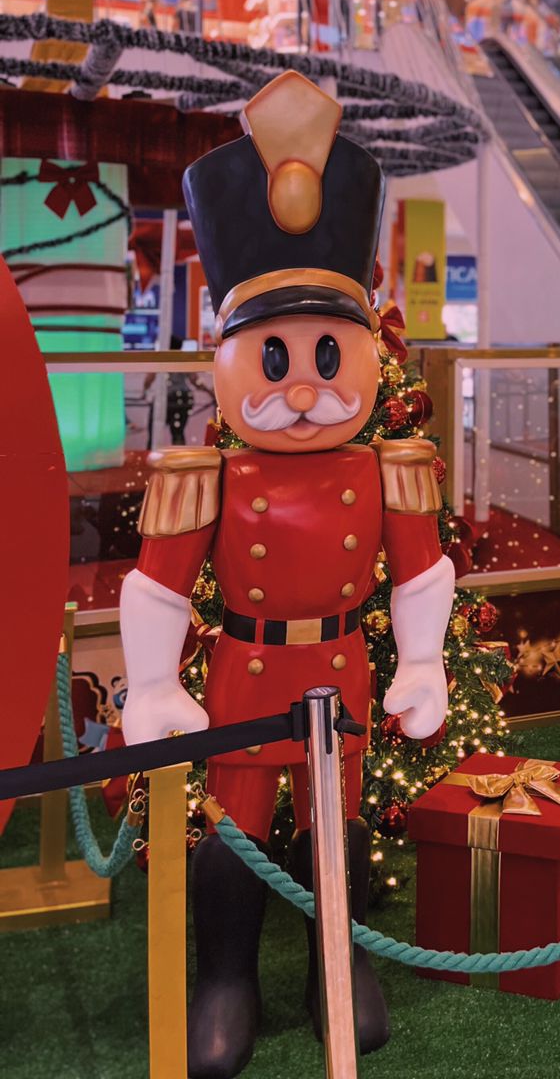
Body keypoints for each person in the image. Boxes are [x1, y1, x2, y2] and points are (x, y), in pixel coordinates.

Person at [119, 71, 453, 1076]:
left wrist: (423, 662)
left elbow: (420, 571)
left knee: (335, 830)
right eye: (273, 357)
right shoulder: (203, 476)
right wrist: (147, 681)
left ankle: (335, 963)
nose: (302, 385)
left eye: (322, 351)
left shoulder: (390, 468)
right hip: (244, 679)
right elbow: (161, 585)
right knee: (236, 834)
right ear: (228, 358)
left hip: (340, 671)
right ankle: (227, 977)